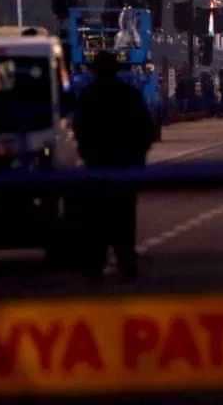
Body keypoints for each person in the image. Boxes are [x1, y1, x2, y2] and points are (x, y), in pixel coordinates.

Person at [73, 51, 154, 278]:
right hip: (125, 166)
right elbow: (146, 129)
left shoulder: (88, 96)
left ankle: (95, 266)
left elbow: (79, 129)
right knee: (124, 220)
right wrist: (139, 158)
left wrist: (86, 154)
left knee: (96, 220)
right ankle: (126, 264)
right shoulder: (129, 94)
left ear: (94, 70)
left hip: (97, 166)